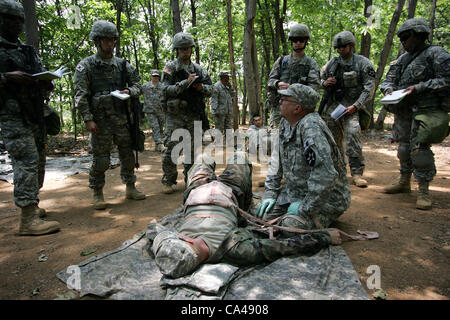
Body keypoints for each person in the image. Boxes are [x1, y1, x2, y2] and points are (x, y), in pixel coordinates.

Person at [150, 151, 347, 279]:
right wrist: (325, 236)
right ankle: (248, 201)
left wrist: (155, 228)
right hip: (231, 192)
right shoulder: (233, 249)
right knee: (240, 157)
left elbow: (155, 231)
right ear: (187, 242)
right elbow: (282, 246)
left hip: (198, 189)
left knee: (202, 159)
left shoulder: (169, 246)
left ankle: (207, 166)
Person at [256, 83, 351, 233]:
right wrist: (270, 193)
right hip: (296, 192)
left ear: (297, 108)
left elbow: (326, 174)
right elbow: (276, 162)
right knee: (262, 216)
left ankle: (323, 225)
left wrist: (306, 206)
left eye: (285, 99)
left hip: (325, 199)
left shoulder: (311, 127)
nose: (280, 101)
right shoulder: (285, 123)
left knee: (289, 228)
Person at [0, 0, 60, 235]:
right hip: (12, 115)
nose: (15, 24)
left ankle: (32, 205)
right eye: (10, 18)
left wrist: (47, 81)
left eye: (19, 20)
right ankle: (27, 220)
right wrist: (6, 77)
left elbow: (41, 74)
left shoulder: (27, 51)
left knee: (39, 161)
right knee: (26, 161)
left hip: (35, 113)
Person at [74, 20, 145, 210]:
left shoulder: (123, 65)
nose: (110, 44)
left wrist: (129, 91)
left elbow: (139, 85)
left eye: (112, 40)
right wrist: (88, 119)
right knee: (101, 159)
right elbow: (81, 95)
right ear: (97, 41)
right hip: (100, 121)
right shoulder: (86, 66)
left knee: (127, 155)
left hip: (122, 119)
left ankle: (130, 187)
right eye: (106, 40)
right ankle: (98, 193)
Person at [380, 18, 450, 210]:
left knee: (420, 150)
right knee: (403, 148)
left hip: (426, 110)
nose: (403, 41)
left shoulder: (437, 54)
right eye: (400, 38)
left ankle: (424, 191)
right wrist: (388, 90)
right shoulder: (402, 59)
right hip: (403, 111)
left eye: (406, 37)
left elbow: (447, 79)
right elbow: (388, 80)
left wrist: (419, 87)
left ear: (419, 35)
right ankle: (404, 181)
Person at [320, 31, 376, 188]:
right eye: (337, 47)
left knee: (352, 136)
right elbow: (320, 79)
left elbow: (369, 89)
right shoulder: (333, 63)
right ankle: (338, 170)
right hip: (333, 109)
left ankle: (357, 173)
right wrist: (325, 83)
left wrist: (356, 106)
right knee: (332, 140)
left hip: (352, 108)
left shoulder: (362, 63)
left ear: (351, 46)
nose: (339, 50)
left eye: (343, 47)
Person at [160, 31, 213, 194]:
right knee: (171, 148)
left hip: (193, 114)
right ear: (177, 50)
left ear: (191, 49)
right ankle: (168, 179)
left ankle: (189, 179)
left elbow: (211, 89)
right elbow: (164, 90)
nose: (185, 52)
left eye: (188, 48)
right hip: (175, 115)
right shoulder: (170, 68)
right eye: (182, 49)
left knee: (192, 150)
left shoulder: (199, 69)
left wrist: (200, 87)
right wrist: (185, 82)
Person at [266, 23, 320, 130]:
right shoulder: (282, 61)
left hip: (299, 110)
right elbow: (270, 81)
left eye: (301, 40)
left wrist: (294, 88)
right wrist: (278, 83)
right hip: (279, 108)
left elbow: (314, 88)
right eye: (295, 40)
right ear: (291, 41)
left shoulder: (311, 64)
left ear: (306, 42)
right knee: (276, 141)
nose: (298, 43)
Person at [142, 69, 165, 153]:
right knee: (155, 127)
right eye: (154, 76)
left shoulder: (162, 87)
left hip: (161, 110)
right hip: (150, 110)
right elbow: (137, 92)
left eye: (157, 76)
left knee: (160, 127)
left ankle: (157, 145)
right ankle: (159, 143)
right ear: (151, 76)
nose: (155, 77)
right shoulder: (145, 86)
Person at [211, 71, 234, 137]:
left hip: (228, 112)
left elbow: (233, 94)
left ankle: (228, 144)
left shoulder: (227, 86)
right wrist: (215, 111)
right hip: (219, 112)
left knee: (228, 128)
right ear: (222, 77)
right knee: (219, 129)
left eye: (228, 77)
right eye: (227, 76)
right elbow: (214, 99)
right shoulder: (217, 86)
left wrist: (230, 87)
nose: (228, 78)